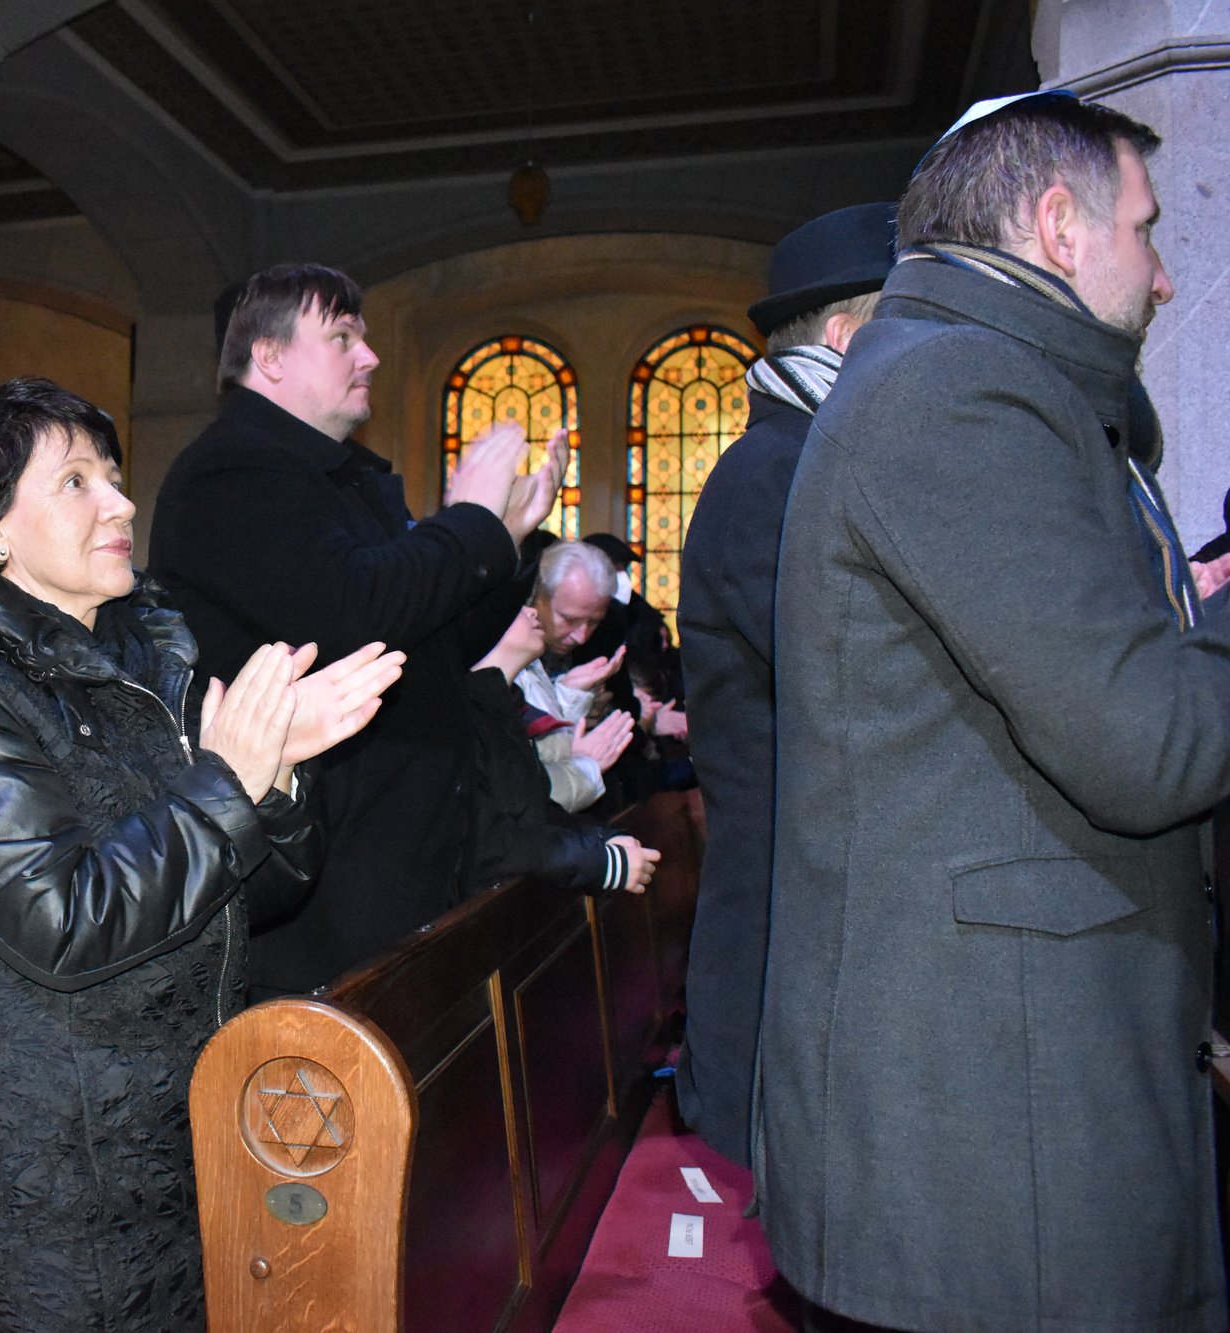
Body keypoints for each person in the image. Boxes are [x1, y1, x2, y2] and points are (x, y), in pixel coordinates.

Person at [761, 93, 1230, 1332]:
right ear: (1058, 226)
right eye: (1144, 228)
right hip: (986, 1129)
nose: (1163, 276)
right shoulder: (957, 392)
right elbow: (1147, 744)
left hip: (1013, 1087)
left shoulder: (978, 381)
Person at [0, 376, 402, 1329]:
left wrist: (277, 777)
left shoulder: (146, 667)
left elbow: (257, 893)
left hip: (181, 1128)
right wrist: (227, 779)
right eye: (75, 481)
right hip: (53, 1172)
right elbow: (63, 922)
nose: (121, 503)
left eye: (114, 477)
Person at [151, 263, 557, 994]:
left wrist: (508, 537)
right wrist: (471, 520)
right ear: (269, 356)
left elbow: (431, 649)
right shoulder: (231, 473)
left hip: (394, 854)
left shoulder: (335, 478)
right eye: (342, 337)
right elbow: (354, 615)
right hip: (323, 878)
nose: (368, 356)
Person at [673, 202, 896, 1168]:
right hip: (783, 929)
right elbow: (854, 680)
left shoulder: (817, 461)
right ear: (846, 339)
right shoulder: (777, 472)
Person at [464, 603, 659, 897]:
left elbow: (536, 805)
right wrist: (603, 860)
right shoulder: (470, 710)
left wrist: (603, 841)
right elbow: (494, 837)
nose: (532, 611)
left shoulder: (502, 701)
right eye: (517, 607)